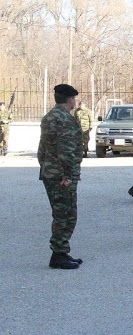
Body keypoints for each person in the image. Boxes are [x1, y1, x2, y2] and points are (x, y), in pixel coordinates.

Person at [38, 84, 84, 269]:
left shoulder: (49, 116)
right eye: (73, 98)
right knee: (66, 214)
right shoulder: (65, 119)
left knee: (62, 213)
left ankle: (62, 252)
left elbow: (42, 149)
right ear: (70, 99)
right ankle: (58, 255)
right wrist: (67, 175)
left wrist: (46, 167)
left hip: (51, 172)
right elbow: (65, 150)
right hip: (62, 176)